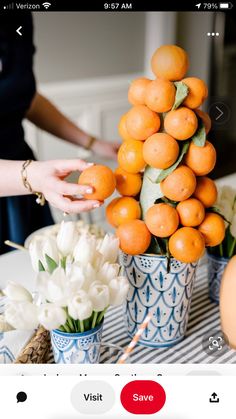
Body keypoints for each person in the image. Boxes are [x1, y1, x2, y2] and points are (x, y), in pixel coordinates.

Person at [0, 12, 118, 254]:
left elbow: (22, 95)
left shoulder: (18, 16)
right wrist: (30, 176)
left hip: (23, 186)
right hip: (20, 177)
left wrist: (93, 142)